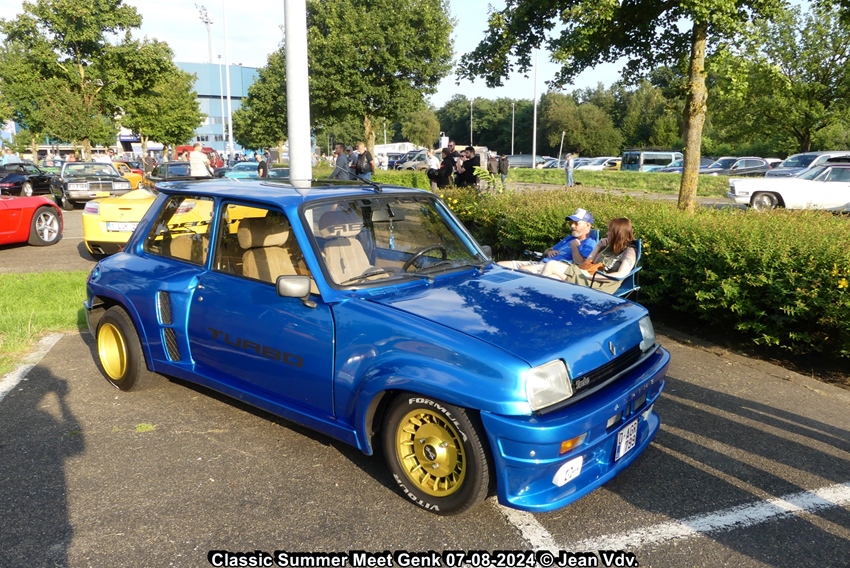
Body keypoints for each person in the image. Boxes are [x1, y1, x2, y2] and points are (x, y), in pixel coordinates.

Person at [541, 218, 637, 295]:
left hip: (600, 285)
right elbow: (589, 262)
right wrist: (598, 246)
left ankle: (537, 298)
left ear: (618, 233)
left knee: (551, 265)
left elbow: (621, 274)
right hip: (588, 276)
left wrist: (590, 276)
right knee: (553, 278)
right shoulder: (610, 247)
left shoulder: (630, 251)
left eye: (610, 231)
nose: (607, 233)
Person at [498, 208, 597, 273]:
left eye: (576, 223)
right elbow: (547, 250)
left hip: (553, 268)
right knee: (499, 265)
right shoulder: (570, 238)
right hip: (541, 263)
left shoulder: (590, 243)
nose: (572, 226)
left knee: (523, 270)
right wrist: (550, 252)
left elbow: (582, 265)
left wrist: (574, 247)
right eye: (570, 223)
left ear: (588, 225)